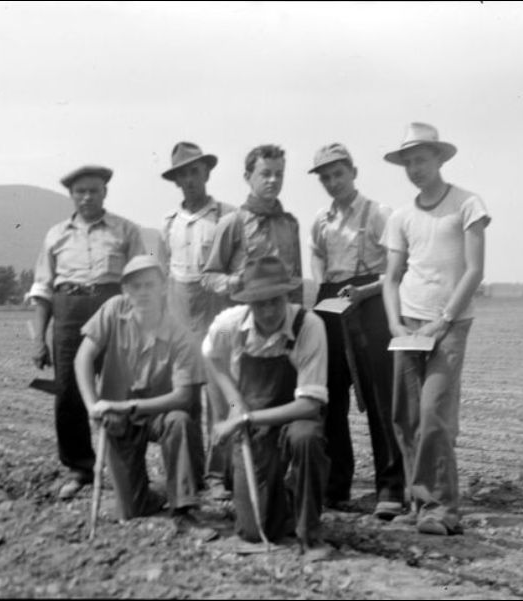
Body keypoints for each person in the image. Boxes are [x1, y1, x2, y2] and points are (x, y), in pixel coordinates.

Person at [380, 123, 490, 535]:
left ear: (439, 158)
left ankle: (442, 508)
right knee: (406, 417)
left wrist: (443, 320)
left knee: (433, 413)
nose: (415, 169)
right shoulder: (400, 217)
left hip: (449, 324)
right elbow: (391, 277)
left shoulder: (467, 204)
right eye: (408, 162)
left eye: (421, 160)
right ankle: (417, 503)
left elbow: (475, 270)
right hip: (408, 323)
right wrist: (394, 322)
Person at [28, 165, 147, 501]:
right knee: (68, 391)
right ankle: (80, 467)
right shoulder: (55, 235)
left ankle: (127, 469)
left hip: (114, 308)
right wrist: (38, 339)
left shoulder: (127, 230)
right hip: (68, 310)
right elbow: (42, 289)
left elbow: (143, 271)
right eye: (80, 191)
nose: (87, 197)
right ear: (71, 195)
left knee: (120, 388)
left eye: (94, 190)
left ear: (105, 193)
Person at [203, 256, 331, 555]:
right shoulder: (230, 325)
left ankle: (310, 533)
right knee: (254, 531)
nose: (269, 311)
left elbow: (310, 405)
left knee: (306, 438)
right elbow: (211, 356)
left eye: (275, 301)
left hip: (295, 417)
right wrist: (235, 404)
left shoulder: (308, 326)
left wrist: (245, 418)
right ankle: (281, 500)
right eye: (260, 304)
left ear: (287, 295)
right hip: (255, 421)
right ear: (248, 302)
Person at [308, 143, 405, 519]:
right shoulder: (321, 219)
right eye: (325, 177)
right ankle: (335, 485)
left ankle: (390, 487)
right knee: (330, 396)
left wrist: (366, 291)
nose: (333, 182)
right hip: (332, 302)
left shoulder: (379, 213)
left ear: (353, 173)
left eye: (338, 174)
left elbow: (399, 266)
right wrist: (323, 284)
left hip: (370, 301)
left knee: (380, 396)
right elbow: (316, 252)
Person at [74, 255, 205, 520]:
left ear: (163, 287)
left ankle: (183, 505)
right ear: (125, 290)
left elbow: (183, 397)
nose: (143, 292)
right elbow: (83, 357)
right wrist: (92, 407)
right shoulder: (113, 310)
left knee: (179, 421)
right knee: (131, 510)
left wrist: (128, 406)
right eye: (136, 286)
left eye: (150, 285)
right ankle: (154, 495)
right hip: (117, 419)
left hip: (160, 414)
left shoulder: (180, 333)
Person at [157, 141, 236, 501]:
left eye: (194, 171)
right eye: (182, 174)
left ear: (206, 172)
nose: (189, 179)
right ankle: (190, 475)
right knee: (185, 396)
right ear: (175, 180)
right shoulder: (168, 224)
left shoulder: (226, 217)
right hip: (179, 311)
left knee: (220, 396)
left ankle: (218, 474)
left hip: (216, 309)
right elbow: (162, 271)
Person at [201, 144, 303, 305]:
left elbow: (297, 279)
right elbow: (208, 277)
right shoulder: (233, 222)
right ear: (247, 177)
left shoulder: (290, 223)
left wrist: (298, 314)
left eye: (279, 174)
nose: (273, 180)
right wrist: (235, 282)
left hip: (282, 311)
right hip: (246, 310)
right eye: (266, 174)